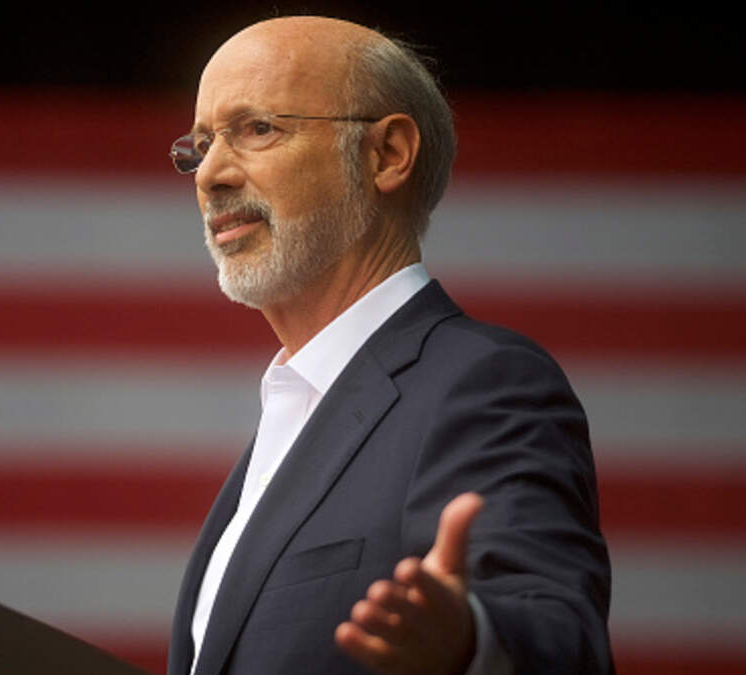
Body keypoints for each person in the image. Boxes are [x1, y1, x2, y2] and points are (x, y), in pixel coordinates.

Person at [164, 16, 612, 675]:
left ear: (387, 154)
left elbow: (557, 634)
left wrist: (469, 641)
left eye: (257, 128)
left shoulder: (484, 385)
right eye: (201, 146)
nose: (211, 174)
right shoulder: (294, 409)